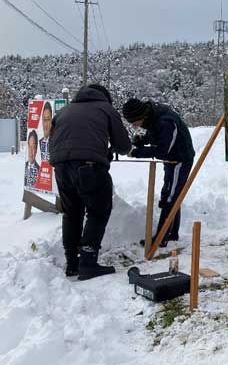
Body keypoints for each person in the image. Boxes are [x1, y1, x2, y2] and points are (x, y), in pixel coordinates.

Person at [49, 84, 131, 280]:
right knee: (98, 210)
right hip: (89, 168)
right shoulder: (106, 108)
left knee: (71, 213)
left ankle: (72, 264)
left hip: (60, 168)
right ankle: (88, 261)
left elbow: (53, 142)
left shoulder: (65, 111)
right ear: (105, 98)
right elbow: (123, 146)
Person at [122, 98, 194, 248]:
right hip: (171, 159)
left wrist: (137, 153)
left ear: (141, 116)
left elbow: (163, 149)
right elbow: (156, 134)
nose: (134, 126)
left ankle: (161, 237)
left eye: (135, 122)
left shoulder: (166, 121)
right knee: (169, 193)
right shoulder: (152, 115)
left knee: (171, 196)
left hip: (180, 159)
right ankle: (172, 234)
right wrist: (142, 140)